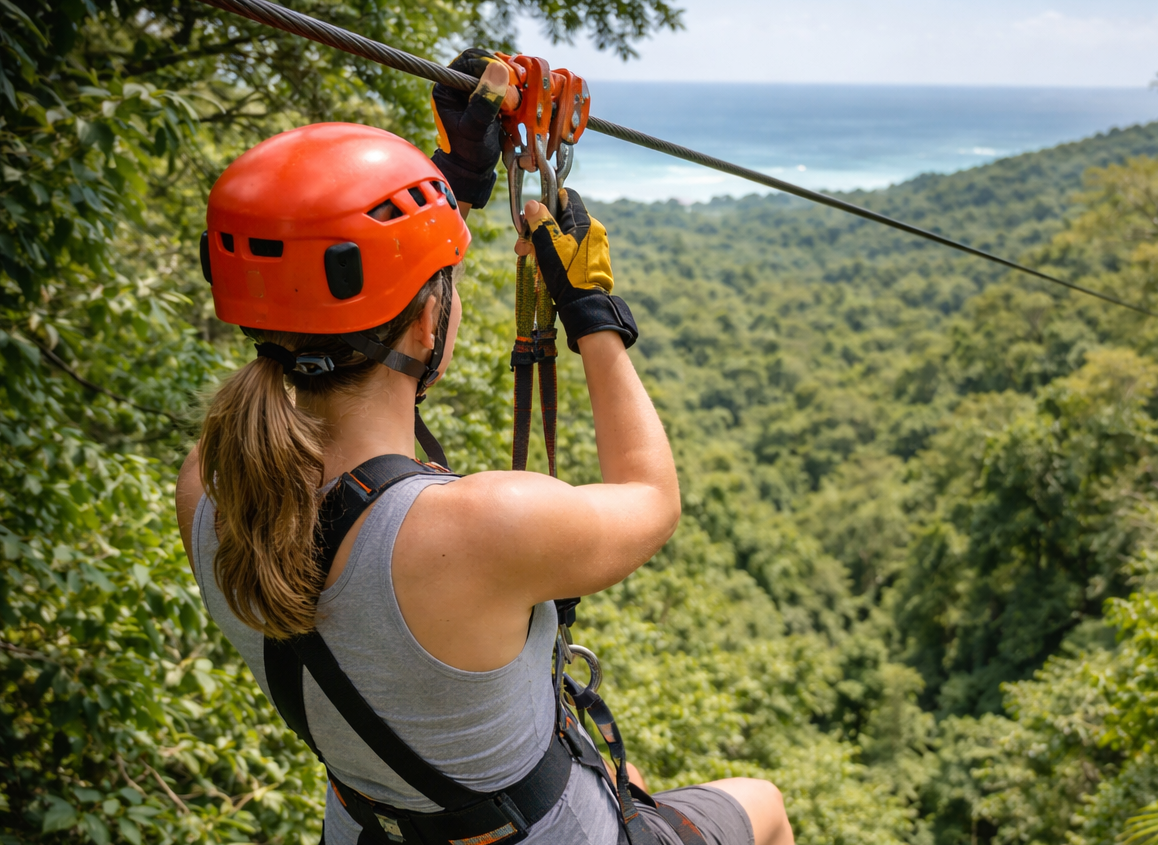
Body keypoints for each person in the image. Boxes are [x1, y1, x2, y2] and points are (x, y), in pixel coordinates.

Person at [175, 48, 794, 845]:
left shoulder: (211, 485)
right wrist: (595, 311)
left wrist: (454, 181)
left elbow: (311, 323)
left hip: (372, 823)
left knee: (625, 775)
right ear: (431, 324)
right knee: (764, 804)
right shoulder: (477, 527)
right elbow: (652, 496)